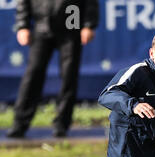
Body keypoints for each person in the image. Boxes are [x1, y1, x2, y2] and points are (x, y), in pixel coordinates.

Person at [7, 0, 99, 138]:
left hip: (71, 22)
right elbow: (23, 2)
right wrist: (22, 25)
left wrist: (88, 25)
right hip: (42, 24)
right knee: (33, 75)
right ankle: (19, 124)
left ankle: (61, 125)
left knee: (69, 76)